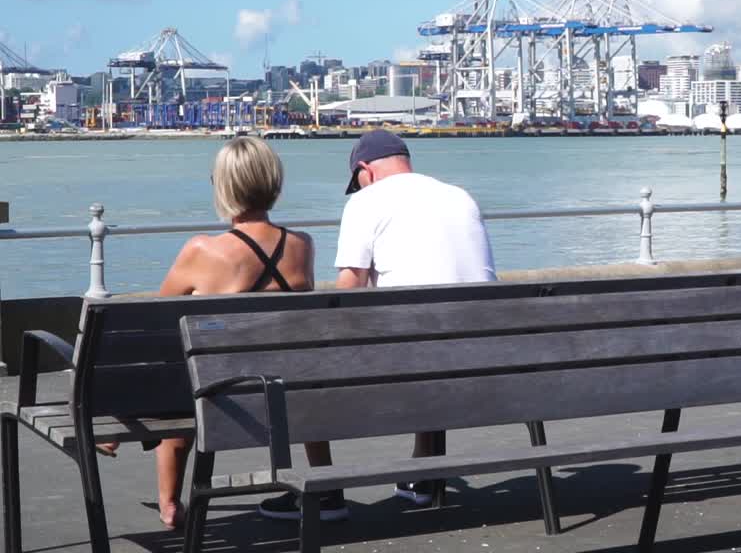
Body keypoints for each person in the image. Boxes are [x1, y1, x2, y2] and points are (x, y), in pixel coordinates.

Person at [257, 129, 495, 522]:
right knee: (432, 335)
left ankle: (325, 491)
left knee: (304, 364)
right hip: (484, 361)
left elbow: (347, 292)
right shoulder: (460, 196)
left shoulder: (367, 201)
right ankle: (423, 476)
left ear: (365, 170)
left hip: (409, 366)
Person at [101, 136, 314, 530]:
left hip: (213, 391)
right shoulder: (302, 246)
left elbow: (154, 318)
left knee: (174, 364)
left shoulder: (202, 250)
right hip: (278, 386)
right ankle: (125, 427)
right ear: (274, 182)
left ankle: (164, 495)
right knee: (189, 368)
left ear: (223, 186)